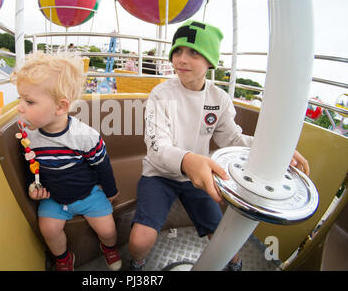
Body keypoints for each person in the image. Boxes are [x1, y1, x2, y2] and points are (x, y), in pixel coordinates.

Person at [128, 20, 310, 271]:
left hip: (199, 176)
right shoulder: (161, 95)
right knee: (139, 240)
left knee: (228, 248)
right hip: (159, 174)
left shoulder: (219, 98)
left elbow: (233, 140)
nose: (181, 59)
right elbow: (157, 146)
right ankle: (137, 265)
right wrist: (188, 161)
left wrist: (275, 152)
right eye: (177, 51)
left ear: (210, 61)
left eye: (193, 52)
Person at [12, 51, 122, 271]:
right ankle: (63, 258)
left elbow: (102, 164)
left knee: (108, 230)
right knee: (49, 230)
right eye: (20, 99)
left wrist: (111, 192)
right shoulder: (29, 136)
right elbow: (30, 169)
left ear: (60, 107)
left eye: (29, 101)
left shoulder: (84, 136)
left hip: (88, 194)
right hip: (54, 199)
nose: (20, 108)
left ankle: (109, 248)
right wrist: (34, 188)